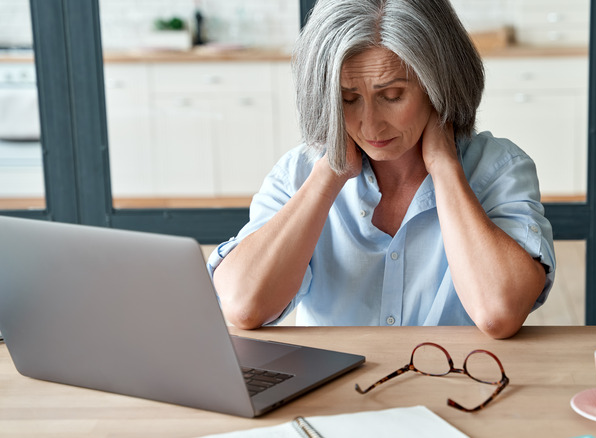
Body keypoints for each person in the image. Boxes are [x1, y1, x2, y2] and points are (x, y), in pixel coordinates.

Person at [208, 0, 555, 339]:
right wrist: (330, 174)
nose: (370, 126)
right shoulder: (298, 174)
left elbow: (499, 313)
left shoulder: (498, 170)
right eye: (347, 99)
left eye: (392, 95)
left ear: (439, 87)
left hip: (456, 387)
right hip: (337, 393)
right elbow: (244, 306)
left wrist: (445, 168)